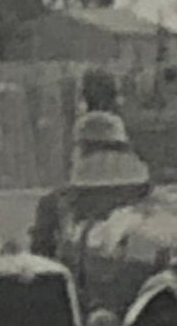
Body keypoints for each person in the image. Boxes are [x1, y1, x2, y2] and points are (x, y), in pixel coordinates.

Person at [30, 109, 151, 258]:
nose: (105, 158)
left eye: (111, 149)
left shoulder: (57, 201)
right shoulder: (56, 203)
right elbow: (41, 257)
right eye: (95, 149)